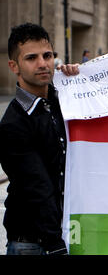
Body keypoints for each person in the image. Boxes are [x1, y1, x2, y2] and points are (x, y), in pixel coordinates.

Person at [0, 23, 78, 255]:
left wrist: (79, 81)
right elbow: (35, 188)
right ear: (14, 66)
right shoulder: (13, 123)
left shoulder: (60, 100)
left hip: (67, 232)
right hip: (32, 242)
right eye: (31, 58)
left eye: (47, 55)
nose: (43, 63)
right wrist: (55, 245)